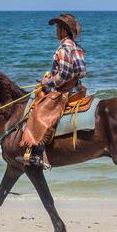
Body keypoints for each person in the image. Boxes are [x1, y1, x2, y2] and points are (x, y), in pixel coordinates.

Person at [18, 13, 87, 168]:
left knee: (39, 111)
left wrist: (47, 81)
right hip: (77, 88)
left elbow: (62, 76)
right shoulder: (78, 48)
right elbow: (82, 72)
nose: (56, 31)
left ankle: (37, 154)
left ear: (63, 30)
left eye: (57, 28)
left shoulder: (63, 49)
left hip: (65, 91)